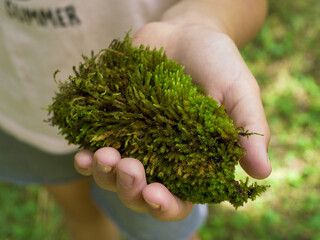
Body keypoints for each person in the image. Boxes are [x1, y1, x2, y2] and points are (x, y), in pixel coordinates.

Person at [0, 0, 272, 239]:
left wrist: (197, 22)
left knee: (167, 232)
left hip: (99, 103)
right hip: (16, 108)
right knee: (82, 215)